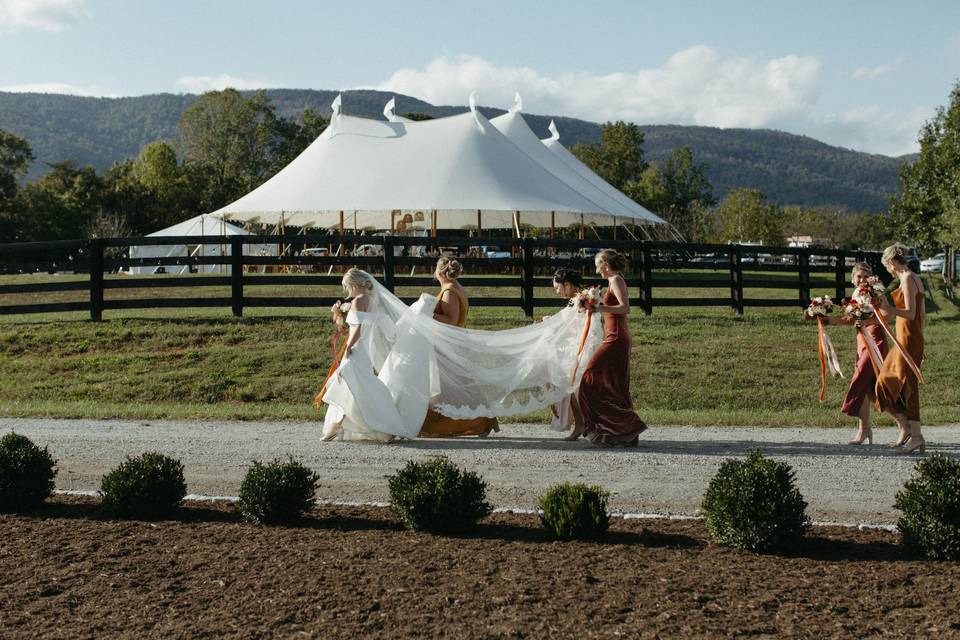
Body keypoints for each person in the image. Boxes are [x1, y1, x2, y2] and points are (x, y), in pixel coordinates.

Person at [321, 269, 427, 442]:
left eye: (347, 287)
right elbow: (354, 325)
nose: (347, 291)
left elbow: (357, 328)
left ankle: (339, 424)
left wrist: (349, 346)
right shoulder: (369, 300)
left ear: (354, 285)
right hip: (364, 349)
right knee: (354, 383)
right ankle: (341, 423)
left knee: (348, 380)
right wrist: (338, 313)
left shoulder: (358, 301)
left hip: (356, 348)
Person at [572, 249, 647, 447]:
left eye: (597, 265)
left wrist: (600, 307)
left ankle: (625, 426)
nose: (597, 270)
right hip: (612, 335)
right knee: (612, 384)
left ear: (605, 264)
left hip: (617, 338)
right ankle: (624, 432)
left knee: (589, 378)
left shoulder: (616, 280)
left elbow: (625, 308)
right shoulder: (611, 281)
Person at [419, 257, 500, 437]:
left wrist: (426, 314)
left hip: (450, 344)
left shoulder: (449, 291)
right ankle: (482, 419)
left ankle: (472, 422)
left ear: (439, 271)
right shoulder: (455, 287)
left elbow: (451, 321)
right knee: (458, 386)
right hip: (451, 343)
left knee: (450, 387)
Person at [813, 263, 888, 445]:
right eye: (858, 277)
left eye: (865, 276)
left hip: (875, 338)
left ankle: (850, 405)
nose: (862, 280)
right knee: (868, 388)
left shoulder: (876, 289)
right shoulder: (855, 295)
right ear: (853, 279)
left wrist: (868, 315)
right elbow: (852, 320)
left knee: (862, 378)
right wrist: (828, 319)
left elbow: (885, 313)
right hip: (861, 340)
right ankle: (864, 430)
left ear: (871, 276)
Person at [875, 243, 926, 454]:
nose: (887, 269)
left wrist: (889, 308)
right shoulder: (913, 278)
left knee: (900, 385)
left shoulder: (907, 278)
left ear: (891, 262)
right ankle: (910, 431)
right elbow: (921, 314)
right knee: (900, 385)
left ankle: (915, 434)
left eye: (886, 265)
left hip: (908, 338)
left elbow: (911, 313)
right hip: (909, 337)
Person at [547, 268, 590, 436]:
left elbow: (577, 323)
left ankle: (581, 423)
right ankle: (581, 423)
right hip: (574, 346)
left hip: (580, 348)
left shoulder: (581, 300)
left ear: (567, 285)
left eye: (558, 288)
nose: (557, 292)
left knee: (570, 386)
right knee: (567, 386)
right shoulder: (577, 299)